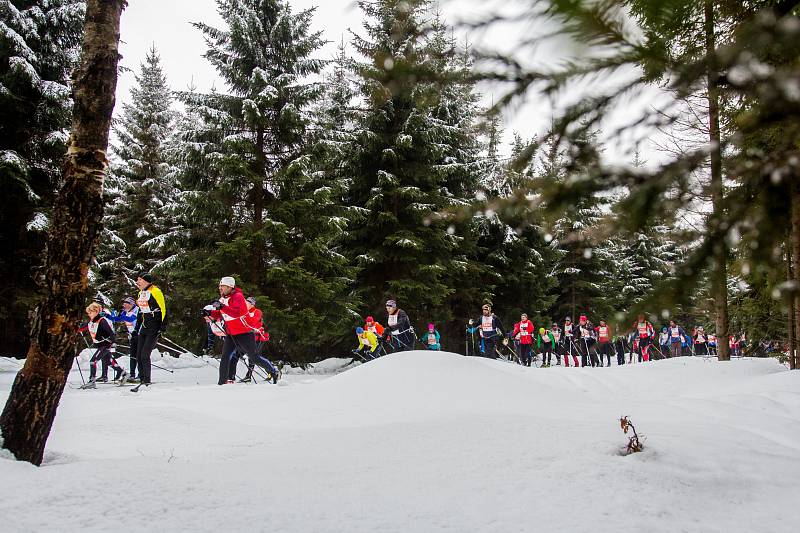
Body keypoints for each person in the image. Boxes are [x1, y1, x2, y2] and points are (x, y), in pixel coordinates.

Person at [206, 277, 279, 385]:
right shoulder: (222, 299)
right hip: (231, 334)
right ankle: (221, 383)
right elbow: (221, 314)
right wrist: (209, 313)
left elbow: (237, 313)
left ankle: (273, 371)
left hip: (244, 333)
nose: (219, 288)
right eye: (219, 286)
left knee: (254, 357)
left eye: (222, 286)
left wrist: (221, 306)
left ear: (229, 287)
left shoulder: (238, 297)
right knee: (225, 357)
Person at [132, 272, 166, 391]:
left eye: (139, 280)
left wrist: (162, 326)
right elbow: (141, 312)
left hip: (154, 326)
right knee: (138, 354)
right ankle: (141, 378)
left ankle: (147, 380)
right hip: (145, 326)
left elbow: (163, 308)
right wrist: (136, 328)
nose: (137, 282)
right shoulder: (141, 293)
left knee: (145, 355)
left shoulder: (155, 291)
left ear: (146, 281)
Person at [83, 302, 126, 388]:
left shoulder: (102, 321)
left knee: (93, 361)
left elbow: (111, 333)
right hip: (99, 345)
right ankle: (124, 374)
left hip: (105, 345)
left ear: (95, 312)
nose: (88, 314)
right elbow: (84, 327)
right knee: (109, 362)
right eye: (88, 312)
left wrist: (113, 342)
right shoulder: (91, 321)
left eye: (90, 312)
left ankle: (92, 381)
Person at [232, 296, 270, 382]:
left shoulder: (257, 312)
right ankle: (231, 376)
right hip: (247, 338)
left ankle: (249, 376)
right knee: (237, 354)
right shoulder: (245, 312)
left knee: (253, 357)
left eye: (247, 302)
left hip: (259, 337)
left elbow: (253, 323)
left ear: (252, 304)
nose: (245, 304)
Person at [108, 296, 139, 382]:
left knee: (139, 355)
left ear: (131, 304)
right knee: (132, 356)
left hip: (140, 335)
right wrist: (108, 316)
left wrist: (122, 315)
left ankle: (141, 375)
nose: (124, 306)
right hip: (132, 336)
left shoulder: (137, 310)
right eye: (124, 304)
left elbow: (130, 319)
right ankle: (132, 375)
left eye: (126, 304)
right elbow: (116, 319)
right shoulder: (126, 311)